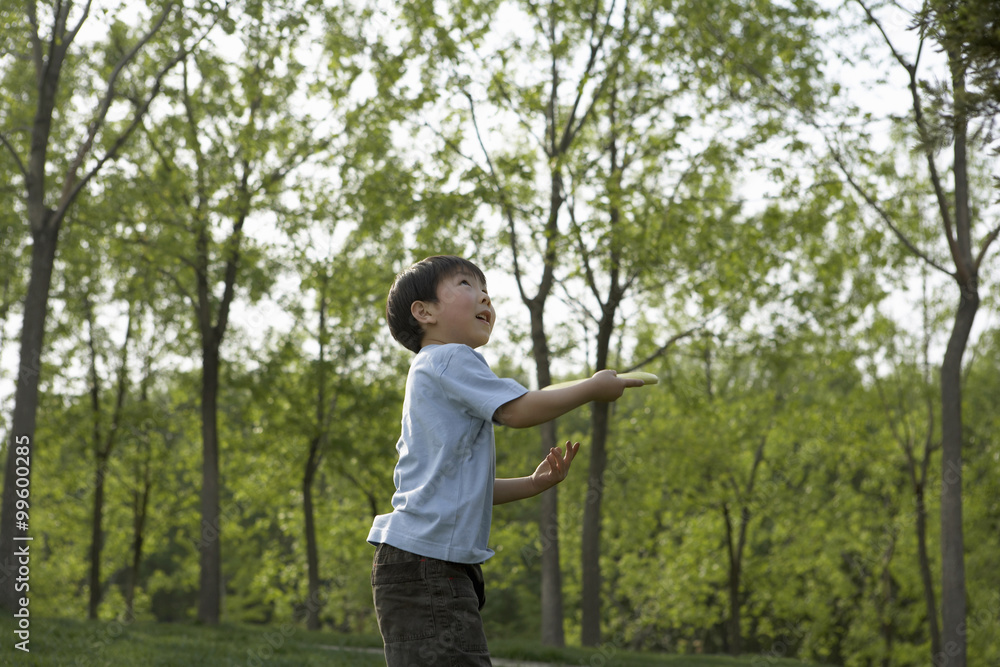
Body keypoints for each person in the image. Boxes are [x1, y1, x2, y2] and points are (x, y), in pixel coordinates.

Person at [368, 255, 642, 666]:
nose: (484, 297)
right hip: (429, 565)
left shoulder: (430, 373)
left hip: (419, 563)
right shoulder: (449, 359)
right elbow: (517, 411)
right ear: (424, 312)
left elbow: (457, 487)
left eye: (486, 291)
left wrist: (532, 484)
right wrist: (591, 388)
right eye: (465, 284)